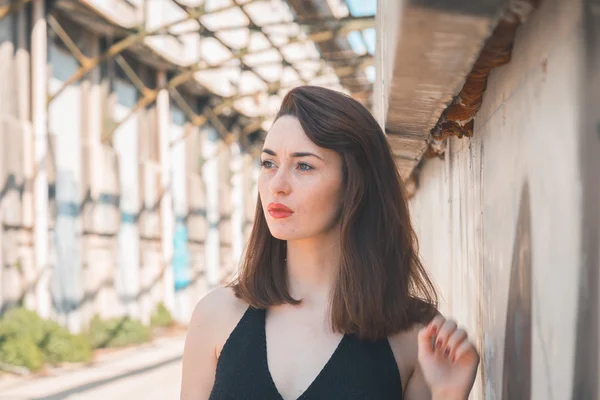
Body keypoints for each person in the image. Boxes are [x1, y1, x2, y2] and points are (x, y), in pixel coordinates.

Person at [180, 85, 479, 400]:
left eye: (304, 166)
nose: (277, 185)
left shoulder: (415, 336)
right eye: (269, 163)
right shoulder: (216, 316)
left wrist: (447, 395)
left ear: (355, 184)